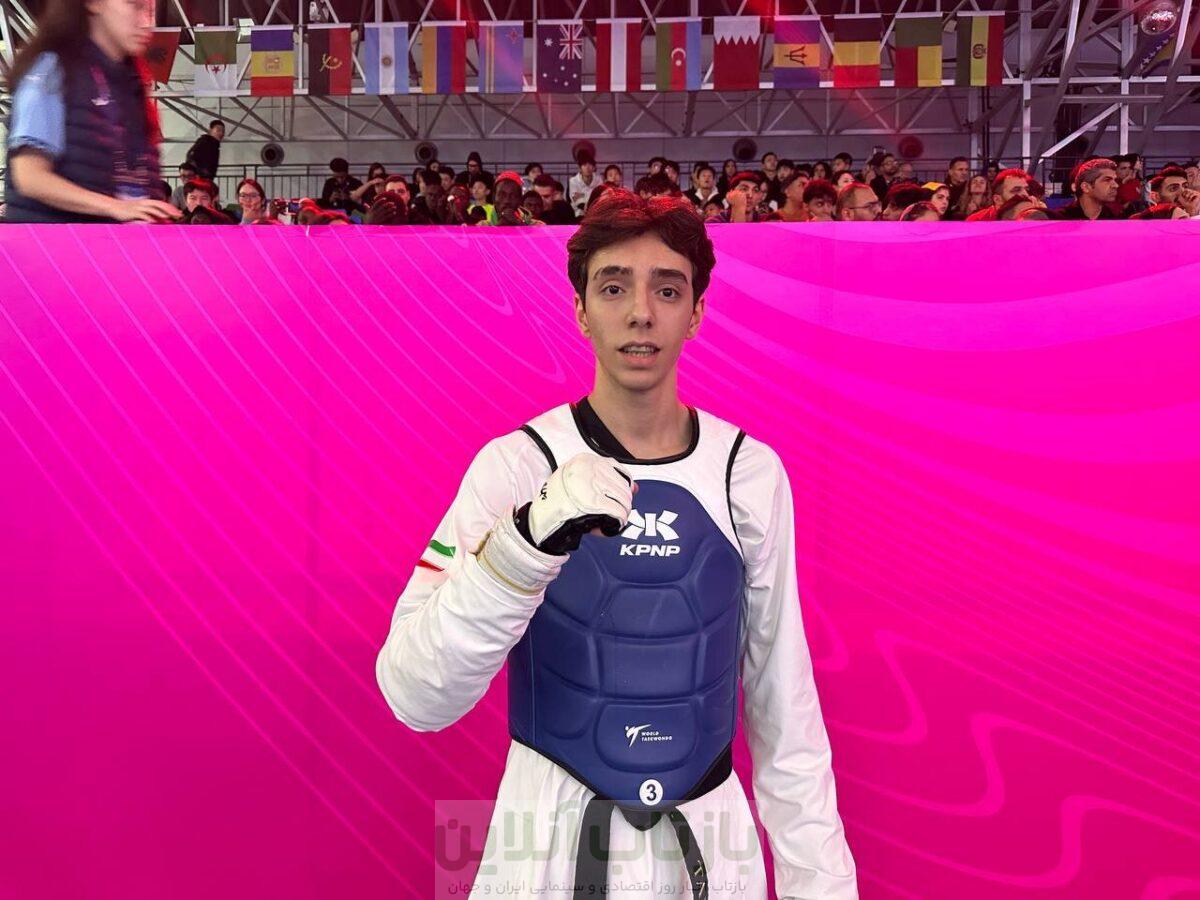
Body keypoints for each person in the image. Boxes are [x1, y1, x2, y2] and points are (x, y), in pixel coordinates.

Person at [376, 188, 859, 900]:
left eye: (667, 289)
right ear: (580, 309)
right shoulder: (516, 465)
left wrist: (821, 887)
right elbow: (416, 694)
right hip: (546, 838)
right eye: (613, 287)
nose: (640, 313)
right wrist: (522, 547)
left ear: (696, 311)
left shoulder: (748, 473)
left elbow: (784, 705)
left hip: (708, 843)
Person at [2, 0, 179, 224]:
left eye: (151, 10)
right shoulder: (51, 69)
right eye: (135, 5)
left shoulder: (132, 84)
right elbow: (29, 177)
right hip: (54, 242)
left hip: (110, 240)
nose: (147, 22)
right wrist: (116, 207)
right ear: (94, 3)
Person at [965, 168, 1030, 221]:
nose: (1025, 194)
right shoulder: (977, 220)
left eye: (1027, 190)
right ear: (997, 200)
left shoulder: (1032, 216)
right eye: (1016, 190)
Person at [568, 152, 602, 217]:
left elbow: (599, 198)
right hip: (578, 213)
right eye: (584, 165)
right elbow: (577, 200)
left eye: (590, 165)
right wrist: (586, 208)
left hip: (595, 212)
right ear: (580, 168)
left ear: (594, 167)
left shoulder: (599, 180)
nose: (587, 167)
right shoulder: (573, 181)